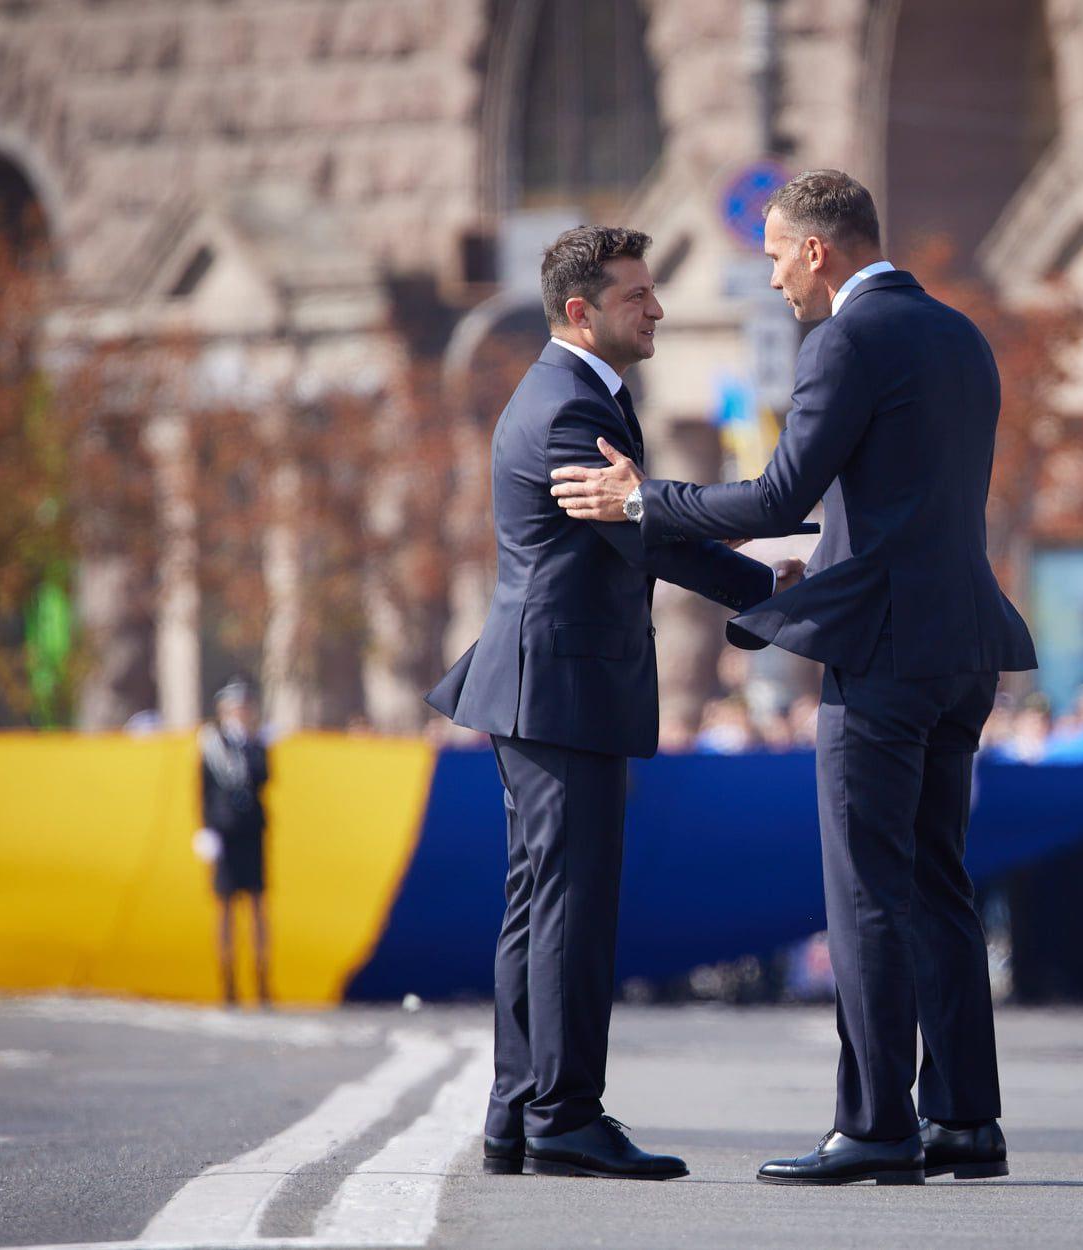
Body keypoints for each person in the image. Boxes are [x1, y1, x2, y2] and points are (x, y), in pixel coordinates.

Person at [550, 171, 1035, 1185]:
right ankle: (964, 1119)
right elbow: (908, 496)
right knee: (940, 884)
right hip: (965, 646)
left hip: (886, 653)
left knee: (864, 889)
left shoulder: (849, 338)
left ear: (818, 250)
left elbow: (779, 490)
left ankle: (874, 1125)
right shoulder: (960, 332)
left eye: (774, 255)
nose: (770, 278)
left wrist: (644, 501)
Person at [426, 225, 786, 1182]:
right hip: (562, 686)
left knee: (540, 906)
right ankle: (564, 1116)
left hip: (550, 684)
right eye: (637, 295)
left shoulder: (576, 396)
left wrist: (760, 586)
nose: (657, 307)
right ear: (580, 311)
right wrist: (767, 583)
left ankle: (520, 1112)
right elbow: (650, 535)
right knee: (570, 909)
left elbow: (643, 534)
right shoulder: (564, 410)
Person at [196, 677, 272, 1007]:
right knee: (225, 909)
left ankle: (261, 979)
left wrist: (251, 743)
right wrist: (207, 829)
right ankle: (228, 981)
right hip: (225, 832)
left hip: (251, 831)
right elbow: (204, 790)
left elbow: (264, 778)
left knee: (257, 907)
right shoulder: (212, 744)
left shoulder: (254, 743)